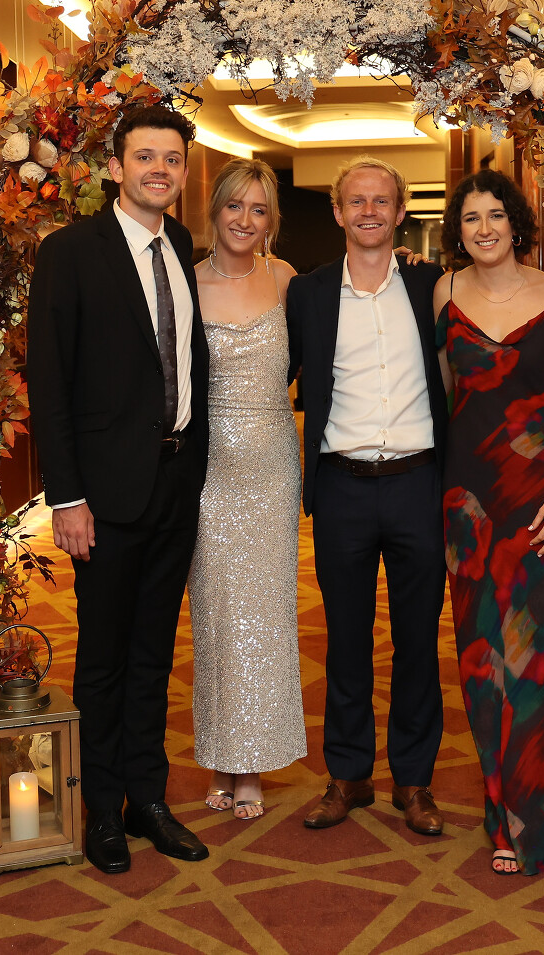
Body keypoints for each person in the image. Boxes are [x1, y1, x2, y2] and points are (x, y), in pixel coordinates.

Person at [26, 104, 211, 874]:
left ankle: (148, 798)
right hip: (103, 495)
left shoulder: (182, 246)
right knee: (103, 656)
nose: (159, 170)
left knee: (154, 653)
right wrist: (66, 497)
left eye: (171, 159)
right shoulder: (70, 252)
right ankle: (102, 806)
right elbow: (49, 384)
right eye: (145, 157)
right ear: (114, 167)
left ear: (182, 171)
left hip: (176, 481)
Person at [434, 169, 544, 876]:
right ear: (458, 230)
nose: (484, 228)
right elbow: (449, 396)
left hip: (542, 502)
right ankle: (500, 811)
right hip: (468, 503)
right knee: (480, 663)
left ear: (516, 222)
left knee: (533, 662)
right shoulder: (445, 293)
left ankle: (533, 820)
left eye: (496, 215)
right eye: (471, 218)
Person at [286, 155, 448, 838]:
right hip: (342, 486)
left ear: (401, 211)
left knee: (418, 644)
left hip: (418, 484)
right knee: (344, 641)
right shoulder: (309, 293)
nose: (370, 211)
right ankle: (347, 775)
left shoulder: (432, 285)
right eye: (357, 201)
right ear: (337, 212)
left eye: (382, 200)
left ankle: (414, 781)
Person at [188, 157, 304, 821]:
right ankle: (220, 754)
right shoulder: (186, 281)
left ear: (271, 221)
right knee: (216, 616)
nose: (245, 219)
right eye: (235, 205)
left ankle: (252, 760)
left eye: (258, 209)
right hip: (208, 469)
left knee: (265, 615)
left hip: (272, 465)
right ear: (215, 210)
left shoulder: (286, 279)